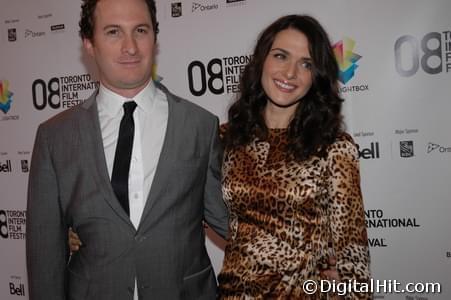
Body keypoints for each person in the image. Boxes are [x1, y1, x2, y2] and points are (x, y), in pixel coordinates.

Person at [25, 0, 228, 299]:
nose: (130, 47)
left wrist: (314, 253)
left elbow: (234, 223)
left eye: (140, 30)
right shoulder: (54, 137)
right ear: (89, 43)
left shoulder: (200, 125)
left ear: (155, 38)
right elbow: (45, 259)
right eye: (113, 32)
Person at [217, 15, 371, 299]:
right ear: (261, 60)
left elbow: (353, 253)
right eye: (280, 56)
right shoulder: (228, 138)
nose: (290, 73)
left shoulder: (334, 147)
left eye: (306, 64)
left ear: (317, 76)